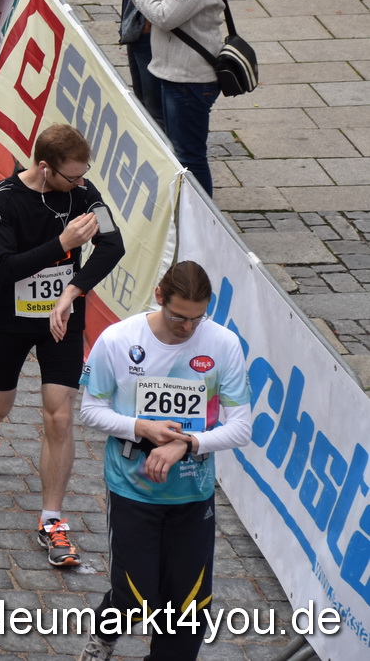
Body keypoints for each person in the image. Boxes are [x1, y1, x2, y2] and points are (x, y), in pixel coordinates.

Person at [0, 123, 127, 572]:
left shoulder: (84, 193)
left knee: (59, 415)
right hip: (12, 319)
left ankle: (52, 520)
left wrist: (72, 291)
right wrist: (63, 243)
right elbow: (5, 270)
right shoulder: (1, 198)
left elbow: (113, 246)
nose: (81, 183)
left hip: (62, 320)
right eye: (72, 176)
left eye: (84, 174)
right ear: (44, 167)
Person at [76, 261, 251, 661]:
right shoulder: (118, 339)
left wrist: (187, 443)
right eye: (178, 316)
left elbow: (241, 428)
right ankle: (103, 635)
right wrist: (142, 427)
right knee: (135, 599)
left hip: (192, 491)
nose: (188, 327)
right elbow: (90, 410)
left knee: (188, 609)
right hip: (132, 486)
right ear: (159, 296)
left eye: (197, 318)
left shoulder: (223, 344)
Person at [110, 0, 229, 195]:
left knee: (189, 155)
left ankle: (201, 214)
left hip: (188, 80)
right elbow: (167, 1)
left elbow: (164, 16)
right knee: (177, 150)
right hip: (174, 73)